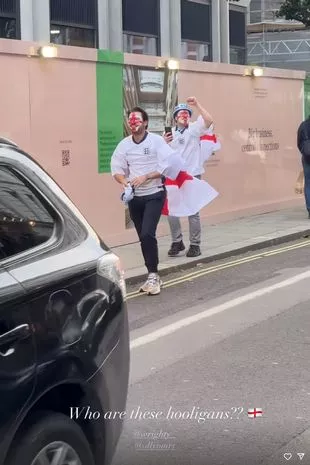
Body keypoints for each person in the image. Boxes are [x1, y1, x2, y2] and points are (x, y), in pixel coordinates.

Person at [110, 106, 183, 295]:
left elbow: (167, 167)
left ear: (145, 123)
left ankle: (153, 275)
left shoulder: (157, 141)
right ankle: (152, 275)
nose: (133, 124)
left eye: (137, 121)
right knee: (143, 236)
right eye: (131, 121)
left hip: (155, 193)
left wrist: (146, 177)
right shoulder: (124, 145)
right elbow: (116, 169)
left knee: (148, 233)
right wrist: (124, 182)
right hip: (135, 197)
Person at [163, 96, 214, 257]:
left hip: (192, 175)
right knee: (172, 212)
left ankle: (195, 244)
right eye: (181, 113)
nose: (184, 116)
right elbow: (162, 154)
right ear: (175, 117)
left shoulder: (194, 129)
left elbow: (209, 120)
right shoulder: (168, 133)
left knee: (193, 211)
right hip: (174, 176)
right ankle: (177, 242)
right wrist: (164, 142)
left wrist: (197, 104)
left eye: (187, 113)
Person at [297, 116, 310, 218]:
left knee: (308, 183)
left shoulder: (303, 125)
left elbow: (299, 142)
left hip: (307, 158)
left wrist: (304, 152)